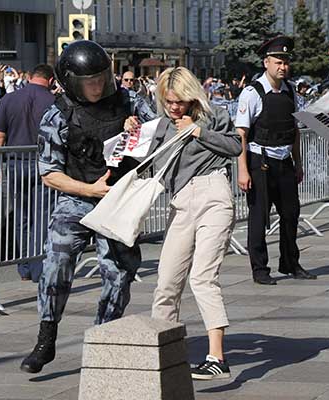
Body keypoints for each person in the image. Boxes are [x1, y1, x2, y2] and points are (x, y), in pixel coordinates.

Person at [20, 40, 143, 374]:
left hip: (118, 199)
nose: (98, 86)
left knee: (118, 274)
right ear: (72, 81)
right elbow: (50, 175)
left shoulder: (129, 101)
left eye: (101, 78)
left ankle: (104, 338)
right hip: (76, 197)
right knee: (55, 264)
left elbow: (158, 134)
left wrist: (138, 128)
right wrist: (91, 189)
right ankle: (46, 337)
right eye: (90, 81)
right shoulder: (56, 116)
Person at [125, 66, 241, 380]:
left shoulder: (214, 115)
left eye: (180, 101)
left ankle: (217, 356)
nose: (175, 107)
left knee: (203, 278)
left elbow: (235, 147)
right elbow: (144, 162)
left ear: (192, 96)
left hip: (213, 192)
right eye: (169, 101)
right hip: (179, 202)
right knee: (166, 281)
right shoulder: (161, 125)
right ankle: (162, 351)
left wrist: (198, 131)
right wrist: (131, 131)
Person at [236, 36, 316, 285]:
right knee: (259, 218)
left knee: (291, 214)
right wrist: (243, 171)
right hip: (260, 161)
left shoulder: (290, 90)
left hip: (284, 162)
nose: (283, 66)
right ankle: (260, 269)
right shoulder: (252, 93)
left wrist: (299, 163)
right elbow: (242, 134)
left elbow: (293, 130)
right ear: (266, 62)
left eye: (286, 62)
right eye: (278, 61)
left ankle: (290, 262)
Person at [0, 64, 56, 282]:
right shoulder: (53, 102)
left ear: (30, 77)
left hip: (15, 164)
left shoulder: (10, 99)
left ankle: (24, 267)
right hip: (42, 165)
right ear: (51, 80)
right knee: (42, 216)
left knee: (21, 216)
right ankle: (38, 268)